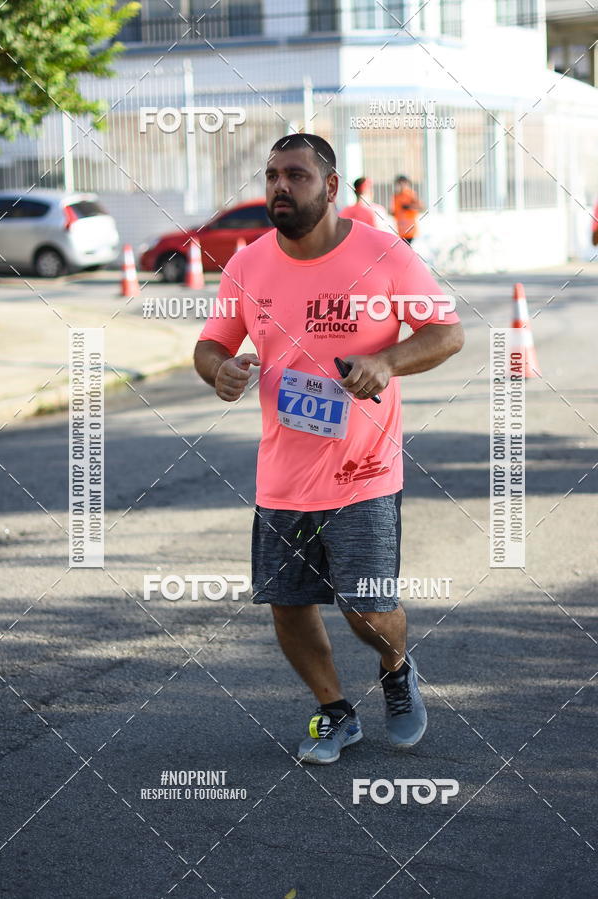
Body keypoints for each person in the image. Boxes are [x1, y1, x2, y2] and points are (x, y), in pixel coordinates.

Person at [194, 134, 463, 765]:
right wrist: (220, 370)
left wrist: (387, 360)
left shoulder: (385, 256)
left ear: (331, 186)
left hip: (364, 468)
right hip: (281, 473)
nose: (280, 187)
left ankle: (396, 669)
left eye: (296, 175)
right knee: (287, 606)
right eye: (271, 176)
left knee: (367, 605)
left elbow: (446, 333)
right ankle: (334, 711)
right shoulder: (248, 264)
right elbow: (211, 345)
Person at [391, 175, 423, 244]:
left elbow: (420, 207)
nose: (401, 185)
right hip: (401, 231)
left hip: (410, 231)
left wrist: (409, 207)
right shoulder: (396, 196)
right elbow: (395, 211)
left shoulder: (410, 194)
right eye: (399, 183)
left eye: (403, 183)